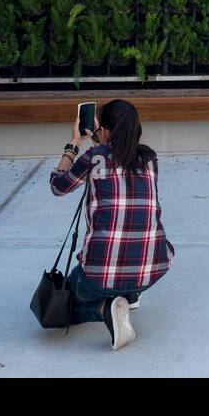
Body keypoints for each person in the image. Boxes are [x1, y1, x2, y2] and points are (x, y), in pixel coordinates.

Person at [50, 99, 174, 350]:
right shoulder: (150, 158)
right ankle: (130, 296)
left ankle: (105, 309)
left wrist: (73, 145)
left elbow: (58, 186)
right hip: (151, 270)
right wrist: (103, 138)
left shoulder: (94, 156)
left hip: (99, 276)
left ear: (104, 130)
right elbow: (116, 159)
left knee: (59, 308)